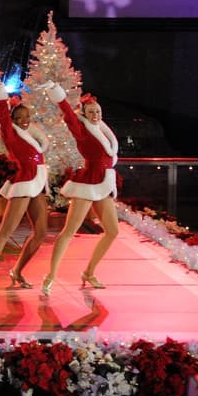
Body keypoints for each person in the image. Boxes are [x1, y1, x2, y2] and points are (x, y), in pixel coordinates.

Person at [37, 82, 120, 296]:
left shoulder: (102, 128)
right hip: (88, 182)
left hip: (103, 183)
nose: (95, 115)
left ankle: (89, 272)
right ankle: (50, 275)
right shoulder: (81, 129)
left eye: (98, 111)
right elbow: (67, 113)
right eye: (91, 112)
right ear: (84, 113)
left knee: (112, 231)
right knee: (68, 233)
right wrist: (58, 94)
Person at [0, 76, 51, 294]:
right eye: (19, 117)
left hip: (38, 182)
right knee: (6, 232)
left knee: (41, 232)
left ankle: (17, 271)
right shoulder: (10, 133)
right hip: (24, 182)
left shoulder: (32, 136)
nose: (25, 120)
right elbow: (2, 114)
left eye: (27, 116)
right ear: (13, 120)